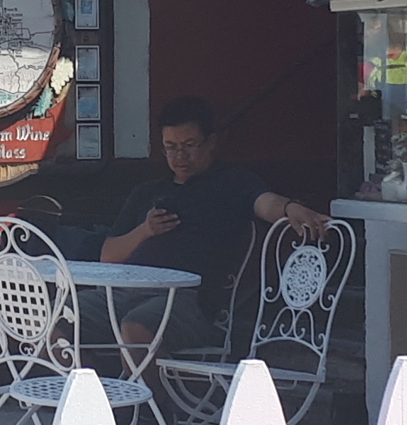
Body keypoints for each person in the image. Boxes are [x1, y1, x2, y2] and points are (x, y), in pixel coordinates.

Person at [98, 94, 334, 345]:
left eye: (189, 145)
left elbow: (265, 203)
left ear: (210, 142)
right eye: (171, 147)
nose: (180, 156)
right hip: (123, 292)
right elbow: (108, 257)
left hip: (187, 299)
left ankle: (144, 373)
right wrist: (145, 230)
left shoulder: (230, 183)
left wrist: (289, 208)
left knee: (136, 328)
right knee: (68, 317)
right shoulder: (147, 191)